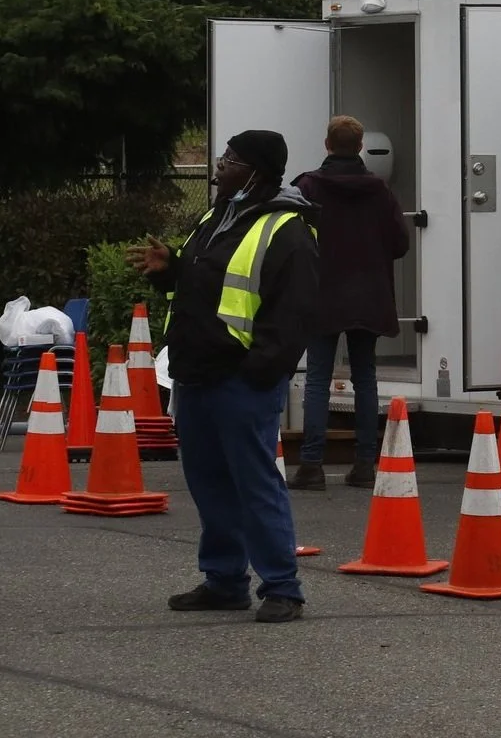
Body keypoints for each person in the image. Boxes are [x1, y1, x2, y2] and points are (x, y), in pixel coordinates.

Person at [130, 130, 318, 623]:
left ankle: (282, 587)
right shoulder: (216, 215)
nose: (220, 164)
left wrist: (259, 371)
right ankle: (225, 581)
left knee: (255, 483)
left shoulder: (288, 230)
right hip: (196, 373)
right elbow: (206, 284)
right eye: (224, 156)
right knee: (209, 482)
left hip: (241, 380)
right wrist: (171, 269)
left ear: (257, 171)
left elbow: (294, 313)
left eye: (232, 159)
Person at [290, 116, 410, 490]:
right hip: (368, 295)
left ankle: (311, 466)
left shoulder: (308, 187)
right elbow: (400, 243)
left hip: (321, 294)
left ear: (327, 144)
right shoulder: (379, 190)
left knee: (317, 379)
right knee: (365, 377)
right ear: (360, 147)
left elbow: (291, 240)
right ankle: (364, 465)